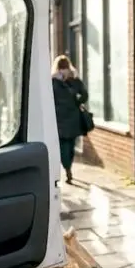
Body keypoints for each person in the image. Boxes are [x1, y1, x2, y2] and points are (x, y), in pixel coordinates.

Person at [51, 55, 88, 184]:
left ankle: (67, 167)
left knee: (62, 145)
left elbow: (49, 99)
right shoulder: (74, 80)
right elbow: (84, 95)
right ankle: (69, 167)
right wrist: (77, 102)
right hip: (72, 118)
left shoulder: (53, 82)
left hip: (59, 118)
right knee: (71, 144)